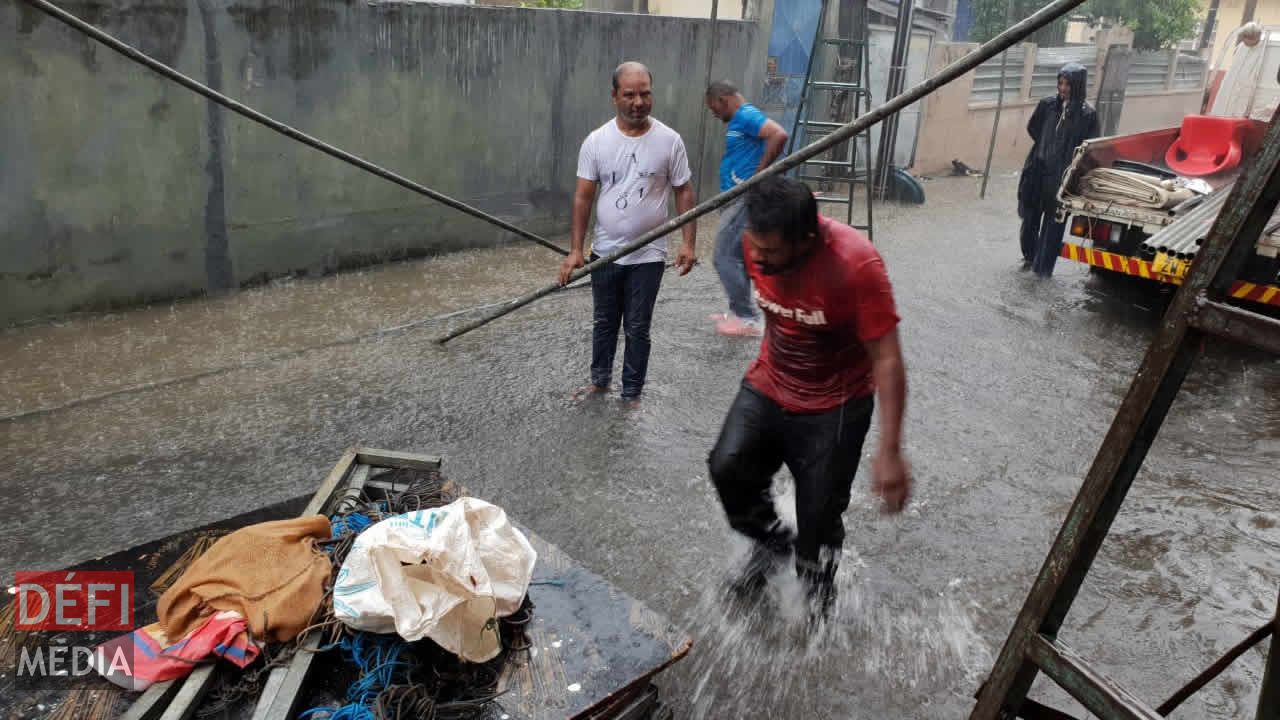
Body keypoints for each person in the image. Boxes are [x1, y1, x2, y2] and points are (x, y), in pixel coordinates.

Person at [707, 174, 911, 621]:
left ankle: (818, 613)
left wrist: (891, 451)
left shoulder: (856, 265)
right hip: (770, 382)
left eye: (770, 252)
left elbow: (888, 359)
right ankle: (771, 545)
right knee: (727, 468)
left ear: (807, 239)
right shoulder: (756, 242)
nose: (757, 257)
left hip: (835, 406)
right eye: (753, 246)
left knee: (818, 524)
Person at [557, 62, 697, 401]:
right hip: (605, 252)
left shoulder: (669, 140)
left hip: (649, 254)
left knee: (637, 327)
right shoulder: (597, 141)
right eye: (630, 94)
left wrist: (688, 242)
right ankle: (600, 382)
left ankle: (632, 393)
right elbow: (583, 197)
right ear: (614, 96)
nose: (638, 102)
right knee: (604, 322)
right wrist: (576, 250)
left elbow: (684, 191)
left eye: (645, 94)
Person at [704, 81, 789, 336]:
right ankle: (739, 310)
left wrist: (759, 175)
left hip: (743, 197)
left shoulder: (746, 115)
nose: (715, 114)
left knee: (723, 256)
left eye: (714, 108)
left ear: (723, 99)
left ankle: (746, 318)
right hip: (735, 196)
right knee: (739, 257)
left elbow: (779, 134)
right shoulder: (741, 119)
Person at [1018, 63, 1099, 278]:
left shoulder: (1088, 115)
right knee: (1030, 219)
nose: (1063, 88)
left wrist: (1070, 168)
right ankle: (1029, 258)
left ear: (1078, 86)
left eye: (1068, 85)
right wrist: (1045, 149)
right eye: (1060, 83)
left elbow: (1091, 148)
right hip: (1038, 171)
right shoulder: (1047, 105)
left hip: (1062, 178)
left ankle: (1042, 271)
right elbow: (1033, 127)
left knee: (1053, 226)